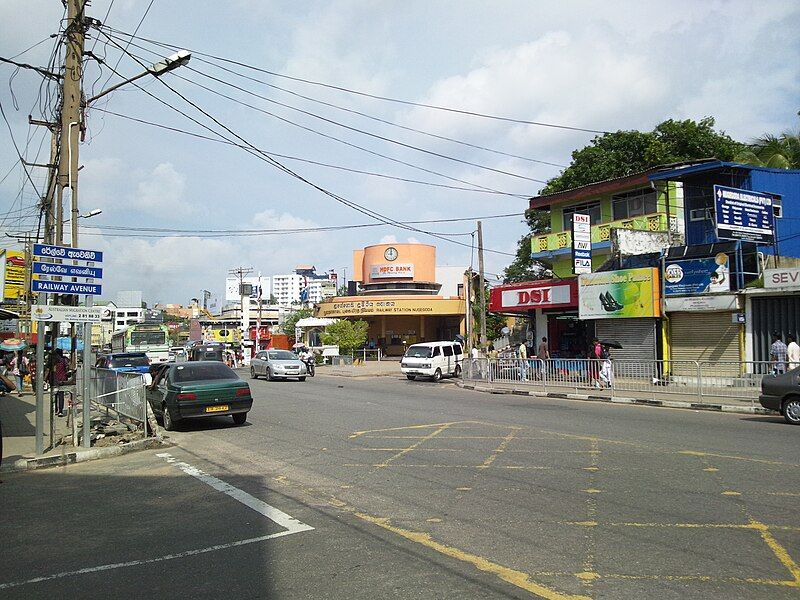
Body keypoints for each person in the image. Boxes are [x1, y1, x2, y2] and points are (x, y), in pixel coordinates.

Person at [47, 348, 70, 417]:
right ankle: (60, 411)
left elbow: (50, 370)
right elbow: (67, 369)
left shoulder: (53, 361)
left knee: (55, 395)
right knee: (61, 395)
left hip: (54, 380)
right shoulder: (64, 360)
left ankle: (56, 409)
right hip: (62, 380)